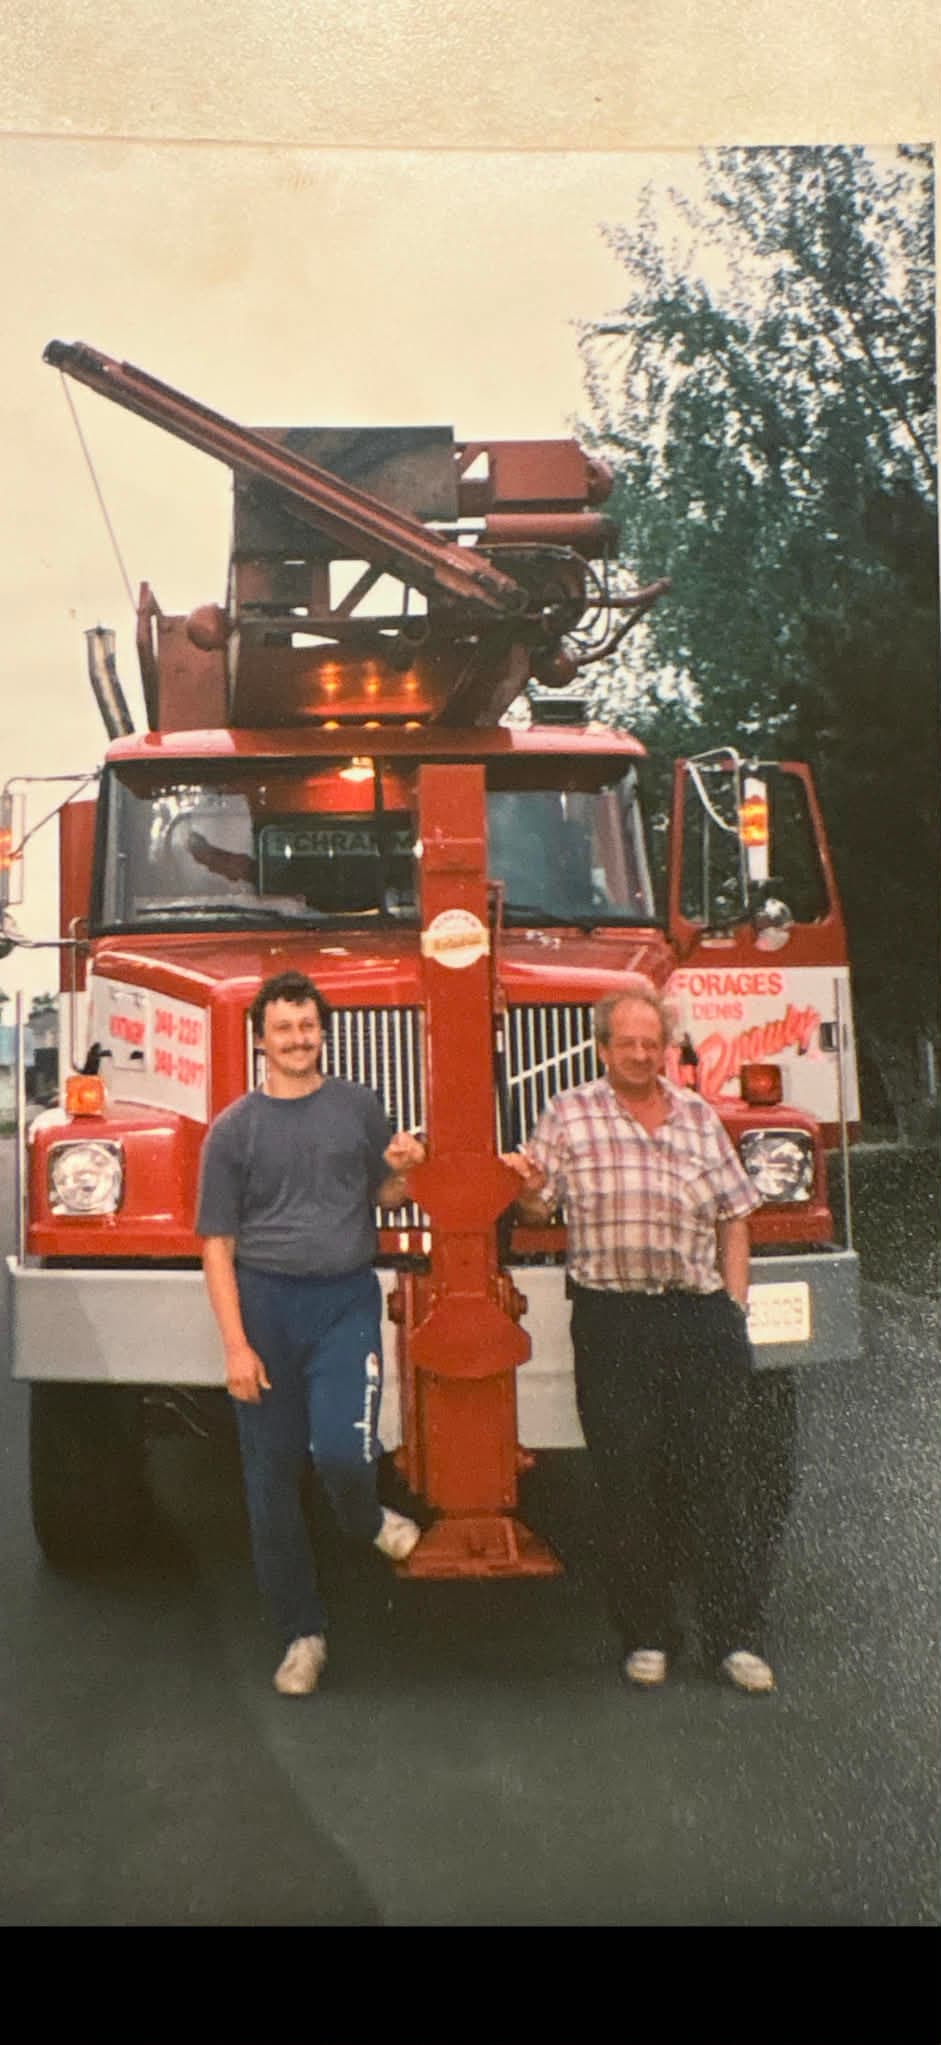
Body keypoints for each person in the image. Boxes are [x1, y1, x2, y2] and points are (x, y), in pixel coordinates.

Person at [501, 975, 796, 1696]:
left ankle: (733, 1639)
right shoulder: (568, 1114)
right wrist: (523, 1184)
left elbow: (735, 1214)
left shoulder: (698, 1116)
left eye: (651, 1042)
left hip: (697, 1317)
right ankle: (647, 1635)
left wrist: (732, 1306)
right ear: (602, 1049)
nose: (639, 1054)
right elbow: (538, 1208)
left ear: (667, 1048)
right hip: (612, 1320)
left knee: (716, 1477)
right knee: (625, 1479)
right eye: (626, 1043)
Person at [196, 968, 427, 1697]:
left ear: (322, 1033)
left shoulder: (358, 1107)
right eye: (283, 1028)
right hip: (265, 1307)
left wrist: (406, 1171)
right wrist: (236, 1345)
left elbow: (385, 1193)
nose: (297, 1039)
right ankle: (302, 1634)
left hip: (344, 1302)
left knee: (342, 1452)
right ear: (260, 1040)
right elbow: (216, 1246)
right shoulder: (233, 1130)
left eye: (307, 1026)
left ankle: (364, 1517)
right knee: (270, 1479)